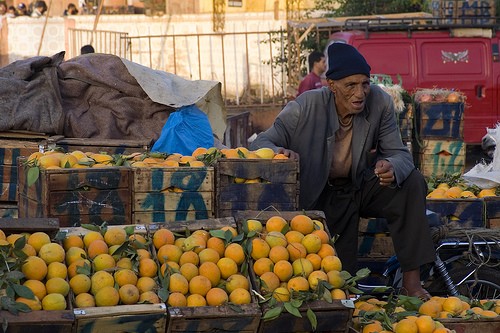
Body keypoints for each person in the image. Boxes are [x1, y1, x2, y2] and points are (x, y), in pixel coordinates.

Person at [250, 42, 435, 300]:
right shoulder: (305, 106)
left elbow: (400, 154)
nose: (360, 93)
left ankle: (412, 283)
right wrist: (280, 152)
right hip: (319, 194)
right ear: (332, 86)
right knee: (342, 282)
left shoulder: (379, 102)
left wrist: (391, 166)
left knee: (411, 182)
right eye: (351, 85)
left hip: (359, 186)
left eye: (364, 84)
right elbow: (261, 142)